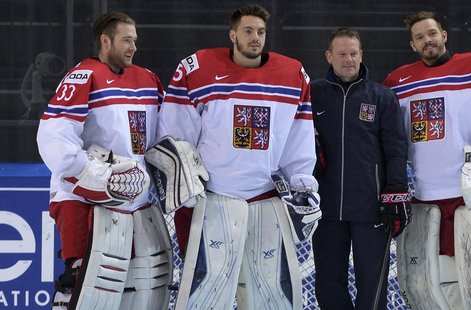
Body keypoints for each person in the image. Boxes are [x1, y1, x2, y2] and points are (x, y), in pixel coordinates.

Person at [156, 4, 319, 309]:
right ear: (233, 35)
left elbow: (299, 138)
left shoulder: (293, 74)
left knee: (272, 297)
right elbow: (175, 134)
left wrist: (302, 186)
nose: (255, 37)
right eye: (248, 31)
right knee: (206, 294)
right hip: (214, 199)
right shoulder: (198, 69)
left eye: (261, 32)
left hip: (267, 200)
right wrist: (184, 181)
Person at [383, 10, 471, 308]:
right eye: (419, 37)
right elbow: (389, 138)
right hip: (428, 197)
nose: (427, 41)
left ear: (444, 35)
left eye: (432, 33)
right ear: (412, 45)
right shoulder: (397, 82)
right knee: (439, 289)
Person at [36, 11, 171, 310]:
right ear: (105, 40)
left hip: (136, 201)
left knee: (141, 287)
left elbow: (164, 133)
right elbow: (54, 136)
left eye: (135, 40)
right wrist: (94, 175)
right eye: (126, 40)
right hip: (84, 200)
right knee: (84, 284)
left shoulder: (148, 79)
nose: (133, 47)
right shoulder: (84, 76)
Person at [310, 27, 410, 309]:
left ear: (361, 55)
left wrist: (396, 194)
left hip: (372, 210)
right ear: (329, 56)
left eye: (353, 53)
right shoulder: (313, 93)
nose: (348, 59)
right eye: (341, 54)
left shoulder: (382, 96)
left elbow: (396, 150)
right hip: (326, 210)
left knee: (372, 285)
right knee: (328, 285)